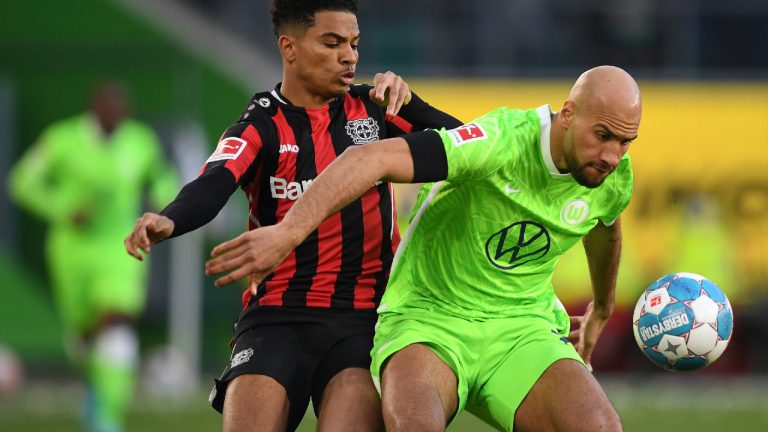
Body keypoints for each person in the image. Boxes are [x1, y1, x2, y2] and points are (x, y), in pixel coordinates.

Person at [205, 65, 642, 432]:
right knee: (414, 424)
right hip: (429, 321)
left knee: (601, 427)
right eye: (603, 135)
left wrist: (602, 308)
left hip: (521, 328)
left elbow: (604, 224)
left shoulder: (614, 175)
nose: (611, 155)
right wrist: (288, 233)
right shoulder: (501, 141)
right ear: (568, 114)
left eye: (624, 143)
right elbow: (368, 159)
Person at [124, 1, 462, 431]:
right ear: (289, 47)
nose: (349, 57)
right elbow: (215, 182)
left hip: (363, 319)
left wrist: (413, 104)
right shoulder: (261, 124)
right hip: (275, 315)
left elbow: (470, 148)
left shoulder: (377, 110)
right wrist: (171, 219)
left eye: (354, 44)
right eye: (332, 43)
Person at [8, 82, 179, 432]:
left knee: (117, 320)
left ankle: (107, 417)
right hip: (71, 252)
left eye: (121, 109)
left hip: (122, 247)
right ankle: (96, 387)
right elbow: (22, 182)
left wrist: (164, 205)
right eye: (109, 108)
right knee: (84, 337)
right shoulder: (60, 141)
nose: (116, 115)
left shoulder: (140, 141)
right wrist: (62, 208)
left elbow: (163, 177)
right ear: (93, 109)